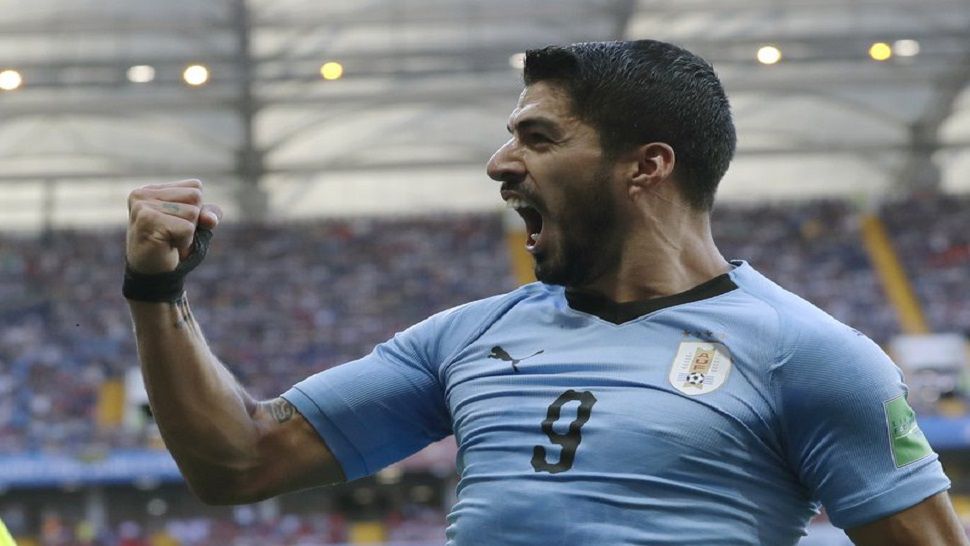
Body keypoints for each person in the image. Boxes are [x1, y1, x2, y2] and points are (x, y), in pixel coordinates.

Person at [124, 40, 967, 545]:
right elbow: (239, 461)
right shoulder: (463, 338)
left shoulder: (811, 357)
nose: (500, 164)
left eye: (536, 137)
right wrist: (157, 291)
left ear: (648, 165)